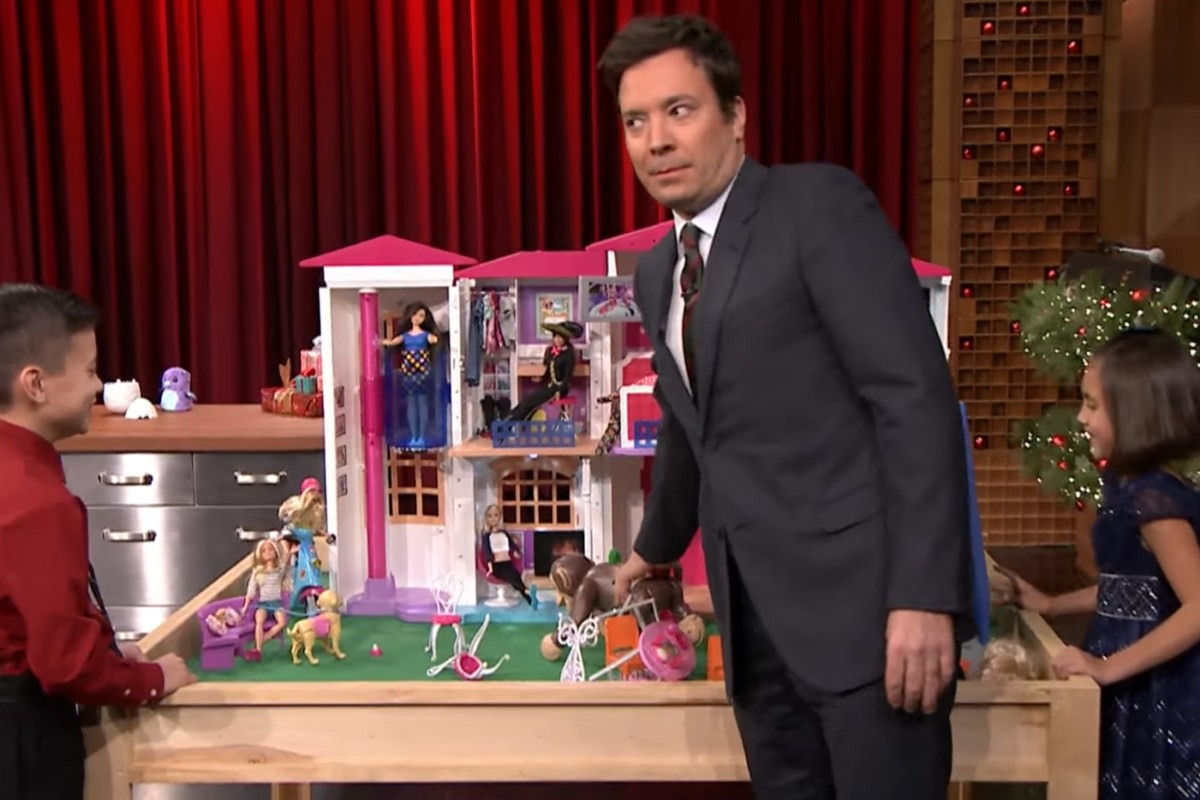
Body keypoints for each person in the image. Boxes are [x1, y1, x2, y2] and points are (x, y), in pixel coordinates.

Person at [598, 15, 974, 799]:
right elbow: (690, 430)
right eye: (635, 121)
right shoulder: (659, 270)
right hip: (754, 628)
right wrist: (648, 553)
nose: (656, 141)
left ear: (736, 116)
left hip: (869, 619)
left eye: (679, 110)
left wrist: (923, 596)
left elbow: (914, 400)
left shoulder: (815, 207)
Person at [0, 283, 196, 800]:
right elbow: (66, 666)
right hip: (20, 739)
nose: (99, 385)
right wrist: (152, 678)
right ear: (35, 383)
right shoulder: (38, 503)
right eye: (89, 370)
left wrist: (108, 654)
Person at [997, 328, 1200, 800]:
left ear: (1136, 413)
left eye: (1092, 405)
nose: (1081, 419)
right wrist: (1052, 604)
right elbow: (1137, 588)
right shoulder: (1128, 486)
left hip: (1159, 687)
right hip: (1131, 671)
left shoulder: (1155, 502)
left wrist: (1108, 668)